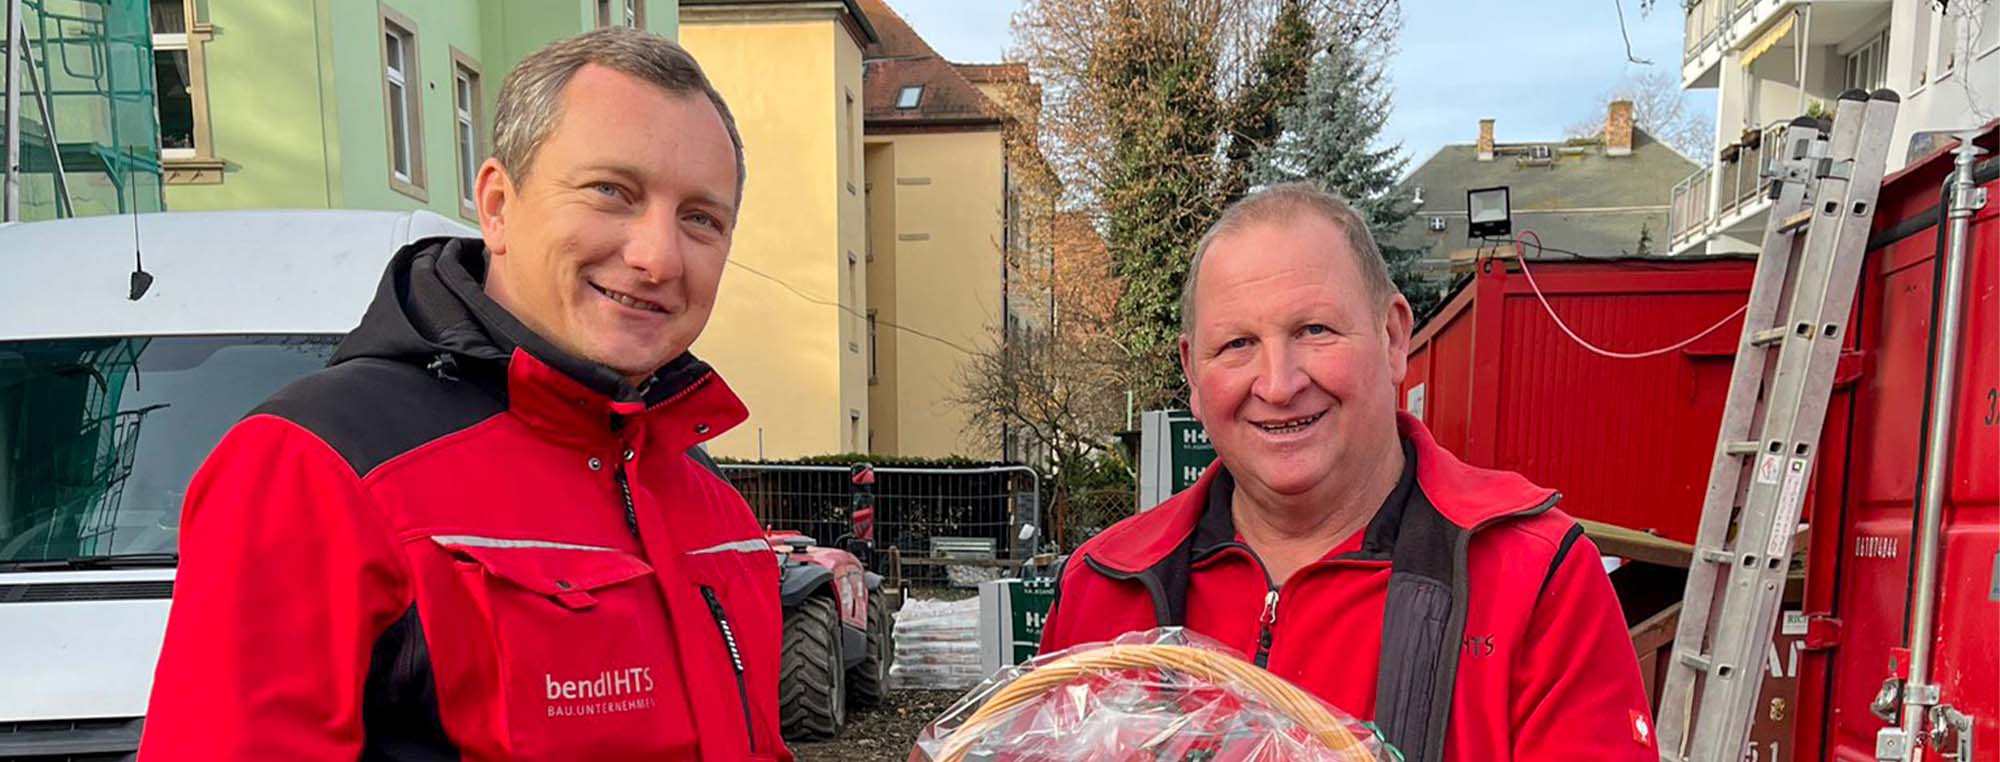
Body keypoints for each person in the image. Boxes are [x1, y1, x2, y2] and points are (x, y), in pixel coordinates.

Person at [139, 29, 790, 760]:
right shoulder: (317, 466)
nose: (658, 258)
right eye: (612, 192)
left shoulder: (705, 496)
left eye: (701, 219)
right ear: (497, 205)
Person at [1038, 183, 1657, 762]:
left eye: (1314, 330)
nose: (1278, 385)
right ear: (1193, 374)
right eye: (1236, 344)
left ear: (1393, 338)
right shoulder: (1100, 587)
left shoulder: (1532, 578)